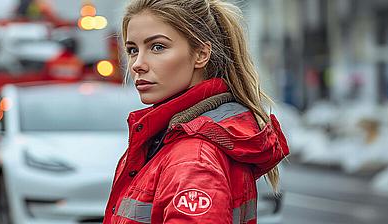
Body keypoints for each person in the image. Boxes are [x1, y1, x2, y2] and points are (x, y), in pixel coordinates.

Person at [103, 0, 290, 223]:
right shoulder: (173, 138)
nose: (137, 64)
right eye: (133, 50)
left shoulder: (194, 158)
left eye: (157, 47)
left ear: (201, 54)